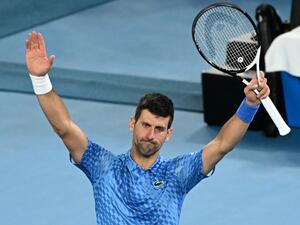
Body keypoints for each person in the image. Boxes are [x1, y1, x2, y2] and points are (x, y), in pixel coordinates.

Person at [25, 32, 270, 225]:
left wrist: (249, 104)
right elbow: (64, 128)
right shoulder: (103, 166)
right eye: (145, 125)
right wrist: (40, 79)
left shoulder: (178, 174)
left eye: (159, 129)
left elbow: (222, 145)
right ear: (132, 124)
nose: (150, 135)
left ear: (168, 134)